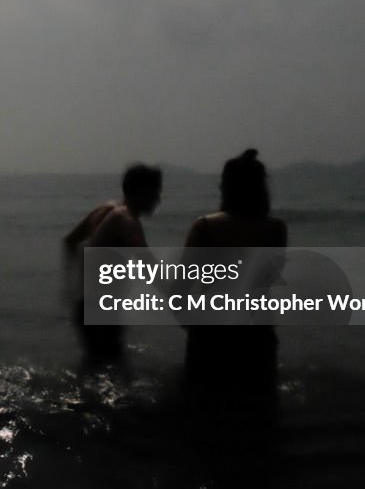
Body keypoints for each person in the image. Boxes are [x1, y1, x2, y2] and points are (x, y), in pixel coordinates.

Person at [182, 148, 286, 403]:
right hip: (258, 334)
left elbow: (181, 288)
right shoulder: (276, 229)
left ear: (225, 187)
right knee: (259, 410)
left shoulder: (205, 227)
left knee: (204, 411)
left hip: (211, 334)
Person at [63, 163, 162, 362]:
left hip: (85, 304)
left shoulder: (104, 209)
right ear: (141, 191)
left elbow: (70, 241)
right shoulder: (126, 220)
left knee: (96, 363)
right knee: (111, 368)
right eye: (155, 193)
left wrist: (74, 284)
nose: (158, 200)